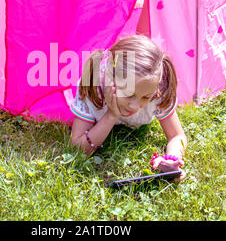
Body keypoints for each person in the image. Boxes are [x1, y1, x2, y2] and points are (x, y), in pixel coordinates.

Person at [70, 34, 187, 182]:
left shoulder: (157, 89)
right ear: (109, 79)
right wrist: (111, 116)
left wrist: (172, 159)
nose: (135, 106)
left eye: (145, 97)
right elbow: (77, 150)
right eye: (127, 94)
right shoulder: (92, 86)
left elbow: (177, 136)